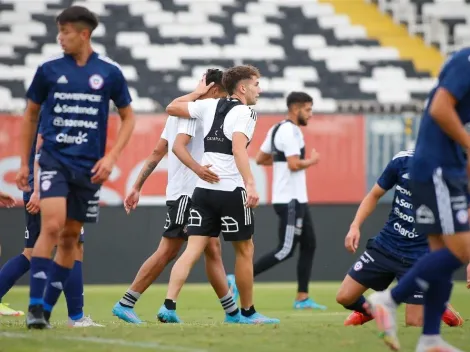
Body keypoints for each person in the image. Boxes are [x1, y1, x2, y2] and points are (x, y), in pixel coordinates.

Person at [15, 6, 135, 329]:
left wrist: (111, 158)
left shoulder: (109, 73)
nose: (60, 37)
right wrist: (26, 163)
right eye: (59, 31)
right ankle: (35, 308)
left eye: (66, 31)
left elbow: (128, 117)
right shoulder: (48, 70)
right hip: (54, 160)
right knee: (51, 227)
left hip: (89, 169)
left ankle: (46, 308)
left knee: (70, 239)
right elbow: (29, 115)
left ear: (84, 34)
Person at [112, 69, 242, 324]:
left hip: (193, 192)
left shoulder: (181, 111)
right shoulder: (193, 111)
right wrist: (199, 171)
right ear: (214, 90)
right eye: (222, 95)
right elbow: (174, 147)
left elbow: (156, 153)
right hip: (188, 192)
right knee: (168, 250)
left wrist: (137, 186)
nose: (223, 101)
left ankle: (233, 313)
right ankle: (127, 302)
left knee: (213, 249)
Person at [155, 65, 279, 324]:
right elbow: (238, 149)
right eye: (256, 84)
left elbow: (172, 107)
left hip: (203, 191)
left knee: (192, 250)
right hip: (231, 190)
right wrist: (251, 184)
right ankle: (247, 313)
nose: (260, 89)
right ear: (242, 88)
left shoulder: (209, 105)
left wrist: (197, 92)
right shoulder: (247, 112)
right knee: (245, 251)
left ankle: (168, 305)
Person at [366, 48, 470, 351]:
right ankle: (388, 299)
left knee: (438, 256)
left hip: (437, 167)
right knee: (460, 252)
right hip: (437, 168)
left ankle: (430, 338)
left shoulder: (461, 61)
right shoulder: (467, 62)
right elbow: (440, 109)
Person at [336, 149, 463, 328]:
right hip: (386, 245)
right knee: (344, 297)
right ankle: (376, 311)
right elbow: (374, 195)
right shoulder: (402, 160)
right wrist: (355, 226)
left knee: (413, 323)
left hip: (418, 256)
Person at [0, 120, 101, 326]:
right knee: (73, 248)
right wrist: (38, 190)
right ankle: (76, 317)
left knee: (30, 253)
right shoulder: (56, 108)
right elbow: (40, 149)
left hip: (42, 186)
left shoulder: (46, 108)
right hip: (51, 188)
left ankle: (70, 316)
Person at [252, 91, 326, 310]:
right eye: (308, 109)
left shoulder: (277, 128)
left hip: (297, 199)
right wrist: (311, 161)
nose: (310, 115)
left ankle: (302, 297)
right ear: (296, 109)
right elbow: (294, 164)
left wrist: (282, 162)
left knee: (309, 244)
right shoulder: (290, 131)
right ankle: (240, 279)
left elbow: (261, 158)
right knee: (284, 250)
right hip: (290, 200)